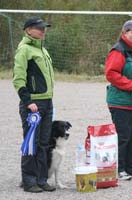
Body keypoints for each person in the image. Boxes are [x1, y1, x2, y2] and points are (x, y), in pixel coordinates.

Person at [12, 16, 56, 192]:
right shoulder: (24, 50)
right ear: (28, 30)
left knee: (44, 143)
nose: (43, 31)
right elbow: (18, 79)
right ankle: (29, 181)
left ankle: (41, 179)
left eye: (44, 28)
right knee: (31, 142)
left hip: (47, 101)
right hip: (33, 104)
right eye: (39, 28)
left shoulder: (43, 50)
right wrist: (28, 101)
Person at [105, 20, 132, 180]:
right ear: (124, 33)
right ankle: (120, 169)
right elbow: (111, 74)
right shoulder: (118, 51)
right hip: (120, 102)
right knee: (123, 137)